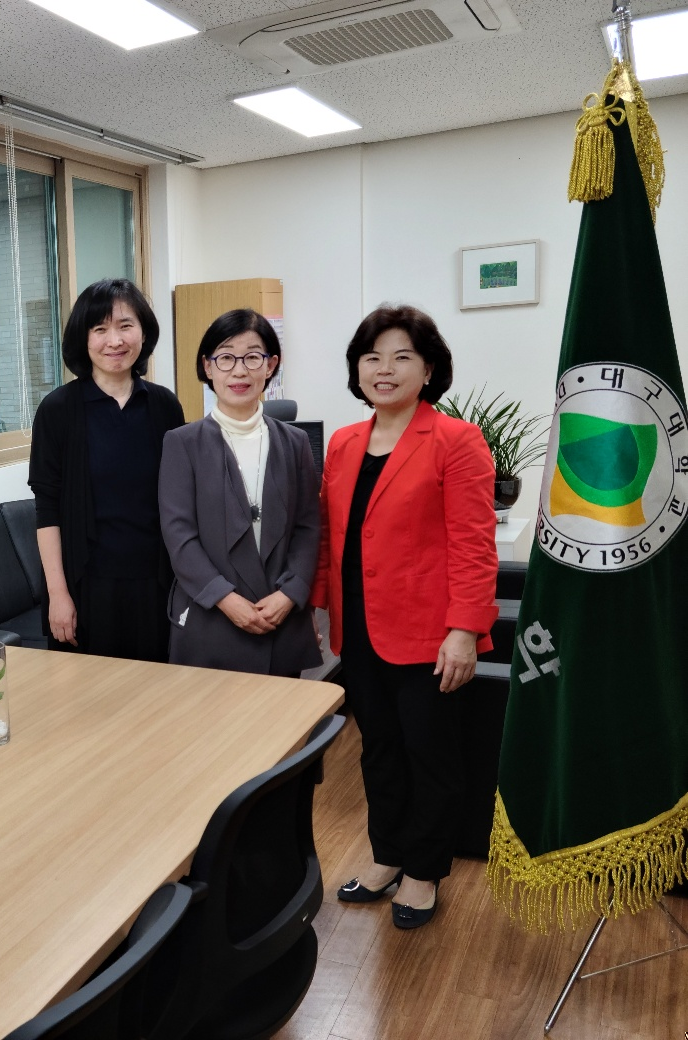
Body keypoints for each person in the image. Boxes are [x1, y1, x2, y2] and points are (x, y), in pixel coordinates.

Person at [311, 304, 497, 930]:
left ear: (429, 369)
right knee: (379, 752)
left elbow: (474, 545)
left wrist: (464, 629)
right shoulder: (344, 443)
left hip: (429, 636)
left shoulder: (456, 441)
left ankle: (423, 871)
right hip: (359, 631)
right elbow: (331, 537)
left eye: (401, 357)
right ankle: (388, 854)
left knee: (430, 756)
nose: (384, 370)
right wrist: (316, 608)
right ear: (357, 369)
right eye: (372, 357)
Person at [28, 278, 185, 661]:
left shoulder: (164, 406)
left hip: (156, 584)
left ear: (143, 333)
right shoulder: (58, 410)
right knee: (87, 692)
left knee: (157, 689)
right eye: (100, 329)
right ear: (83, 339)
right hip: (86, 588)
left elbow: (181, 501)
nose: (115, 340)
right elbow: (47, 509)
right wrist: (58, 594)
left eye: (125, 326)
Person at [158, 309, 321, 677]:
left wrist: (290, 594)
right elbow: (179, 536)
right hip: (210, 619)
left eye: (252, 357)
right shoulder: (182, 443)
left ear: (271, 365)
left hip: (280, 618)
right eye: (226, 357)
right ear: (208, 367)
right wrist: (225, 599)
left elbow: (308, 527)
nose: (239, 370)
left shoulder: (294, 442)